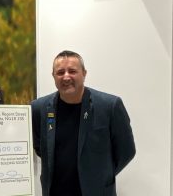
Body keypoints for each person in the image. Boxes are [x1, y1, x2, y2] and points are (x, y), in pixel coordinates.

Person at [31, 50, 136, 196]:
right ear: (53, 76)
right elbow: (40, 148)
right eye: (60, 72)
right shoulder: (38, 109)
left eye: (72, 71)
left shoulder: (110, 106)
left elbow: (127, 151)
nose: (66, 76)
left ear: (84, 73)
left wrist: (100, 175)